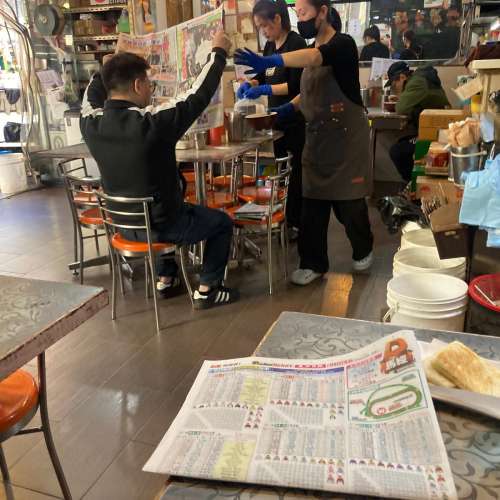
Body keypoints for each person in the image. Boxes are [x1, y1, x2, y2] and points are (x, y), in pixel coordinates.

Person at [80, 32, 240, 310]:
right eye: (149, 84)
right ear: (138, 84)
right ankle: (208, 290)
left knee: (153, 205)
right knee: (222, 223)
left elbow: (90, 96)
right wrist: (218, 53)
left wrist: (106, 67)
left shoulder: (90, 123)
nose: (151, 90)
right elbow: (197, 96)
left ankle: (166, 278)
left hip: (123, 226)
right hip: (164, 226)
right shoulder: (152, 124)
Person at [235, 0, 374, 287]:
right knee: (312, 205)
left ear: (322, 12)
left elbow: (314, 58)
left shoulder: (343, 44)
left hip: (346, 141)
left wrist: (272, 61)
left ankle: (363, 249)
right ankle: (313, 263)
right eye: (297, 13)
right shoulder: (310, 48)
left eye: (304, 12)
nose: (300, 19)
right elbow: (306, 91)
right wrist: (287, 109)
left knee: (349, 205)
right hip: (317, 138)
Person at [237, 0, 307, 232]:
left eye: (265, 26)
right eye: (259, 28)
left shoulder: (296, 44)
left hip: (293, 119)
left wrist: (265, 90)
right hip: (275, 121)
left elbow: (296, 86)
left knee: (294, 174)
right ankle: (283, 218)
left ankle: (295, 223)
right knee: (280, 171)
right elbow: (263, 74)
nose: (263, 32)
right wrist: (251, 83)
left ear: (277, 18)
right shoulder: (269, 47)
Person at [387, 61, 449, 182]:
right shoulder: (421, 79)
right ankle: (413, 183)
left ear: (402, 77)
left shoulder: (417, 82)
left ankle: (413, 185)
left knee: (397, 151)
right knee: (402, 142)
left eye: (394, 84)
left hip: (437, 136)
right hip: (436, 130)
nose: (394, 88)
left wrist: (401, 97)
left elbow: (401, 108)